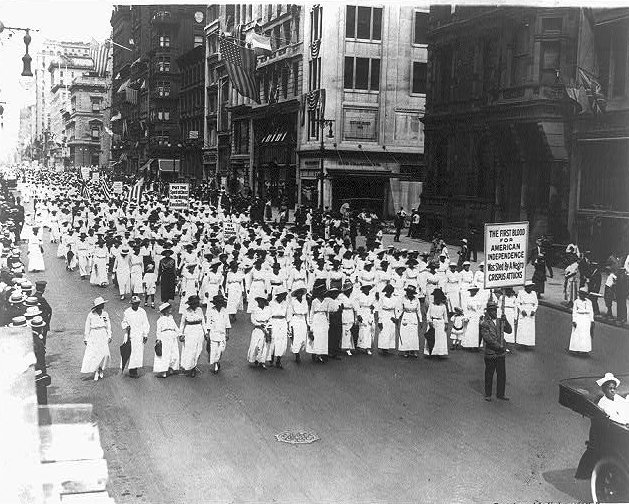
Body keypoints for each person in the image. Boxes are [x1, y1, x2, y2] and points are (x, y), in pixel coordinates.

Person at [480, 300, 512, 401]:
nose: (494, 312)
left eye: (495, 310)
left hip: (500, 353)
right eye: (492, 310)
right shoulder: (485, 323)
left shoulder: (500, 321)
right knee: (489, 374)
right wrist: (498, 346)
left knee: (502, 374)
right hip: (491, 353)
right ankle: (488, 394)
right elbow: (487, 338)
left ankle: (500, 394)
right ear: (488, 311)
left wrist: (505, 321)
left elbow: (509, 331)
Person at [81, 297, 111, 381]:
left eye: (103, 304)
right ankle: (97, 371)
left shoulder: (105, 314)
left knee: (105, 354)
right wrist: (86, 338)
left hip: (103, 334)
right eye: (101, 304)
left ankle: (101, 368)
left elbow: (108, 325)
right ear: (97, 306)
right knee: (95, 354)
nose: (103, 306)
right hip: (94, 335)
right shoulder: (91, 315)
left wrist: (109, 336)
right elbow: (87, 327)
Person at [121, 295, 150, 378]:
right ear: (131, 304)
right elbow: (124, 322)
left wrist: (145, 334)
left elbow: (146, 323)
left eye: (137, 303)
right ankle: (131, 369)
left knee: (138, 352)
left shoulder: (142, 311)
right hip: (130, 334)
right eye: (134, 304)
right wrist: (126, 326)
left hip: (139, 335)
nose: (135, 305)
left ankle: (135, 368)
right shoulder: (127, 312)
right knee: (130, 351)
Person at [179, 295, 207, 377]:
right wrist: (181, 334)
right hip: (189, 331)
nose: (195, 305)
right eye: (193, 303)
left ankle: (194, 365)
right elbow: (182, 323)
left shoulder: (200, 310)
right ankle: (192, 368)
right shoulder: (186, 311)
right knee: (191, 350)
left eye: (196, 303)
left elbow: (203, 322)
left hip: (199, 331)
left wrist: (206, 332)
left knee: (199, 349)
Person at [153, 302, 181, 378]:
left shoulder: (171, 318)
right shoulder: (160, 320)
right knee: (165, 354)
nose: (170, 309)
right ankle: (163, 371)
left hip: (172, 336)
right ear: (165, 310)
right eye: (169, 308)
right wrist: (158, 339)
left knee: (174, 352)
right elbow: (158, 331)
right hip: (164, 337)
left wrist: (180, 334)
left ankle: (172, 368)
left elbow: (175, 327)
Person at [206, 294, 231, 374]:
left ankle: (217, 361)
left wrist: (227, 333)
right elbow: (208, 324)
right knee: (213, 350)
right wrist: (208, 334)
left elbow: (227, 323)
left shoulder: (225, 311)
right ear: (215, 303)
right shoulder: (211, 311)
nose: (219, 304)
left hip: (222, 334)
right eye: (218, 302)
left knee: (221, 350)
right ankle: (215, 365)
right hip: (214, 333)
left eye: (221, 302)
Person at [569, 287, 594, 354]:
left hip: (586, 319)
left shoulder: (589, 302)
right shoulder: (576, 302)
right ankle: (575, 348)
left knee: (585, 334)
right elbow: (574, 311)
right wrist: (574, 320)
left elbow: (591, 312)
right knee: (577, 333)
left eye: (583, 294)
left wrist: (592, 320)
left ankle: (585, 350)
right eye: (580, 294)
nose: (582, 296)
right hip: (579, 318)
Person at [248, 296, 272, 368]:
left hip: (266, 327)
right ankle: (255, 358)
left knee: (264, 346)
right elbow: (253, 320)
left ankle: (262, 361)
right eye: (259, 301)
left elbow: (270, 318)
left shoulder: (268, 309)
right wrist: (259, 325)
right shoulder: (255, 310)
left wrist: (268, 326)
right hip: (258, 329)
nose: (260, 302)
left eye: (262, 301)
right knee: (256, 345)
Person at [425, 288, 448, 358]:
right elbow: (428, 314)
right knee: (432, 337)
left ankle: (439, 352)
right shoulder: (431, 305)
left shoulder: (443, 306)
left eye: (438, 298)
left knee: (440, 338)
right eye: (436, 298)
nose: (437, 300)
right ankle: (431, 352)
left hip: (441, 323)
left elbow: (445, 315)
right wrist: (429, 321)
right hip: (432, 322)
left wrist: (446, 323)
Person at [515, 281, 538, 348]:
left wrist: (534, 310)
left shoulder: (533, 293)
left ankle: (528, 343)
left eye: (532, 286)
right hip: (524, 311)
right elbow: (517, 303)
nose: (531, 288)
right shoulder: (521, 293)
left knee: (529, 328)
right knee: (522, 327)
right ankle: (521, 343)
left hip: (530, 311)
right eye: (530, 286)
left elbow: (536, 303)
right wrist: (522, 310)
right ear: (526, 287)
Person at [289, 288, 309, 362]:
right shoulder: (293, 302)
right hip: (296, 319)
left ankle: (299, 350)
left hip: (303, 319)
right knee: (296, 337)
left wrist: (308, 322)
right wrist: (290, 324)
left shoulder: (305, 302)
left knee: (303, 337)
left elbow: (307, 312)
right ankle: (297, 354)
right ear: (296, 295)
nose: (299, 295)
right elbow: (290, 313)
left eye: (301, 293)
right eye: (298, 293)